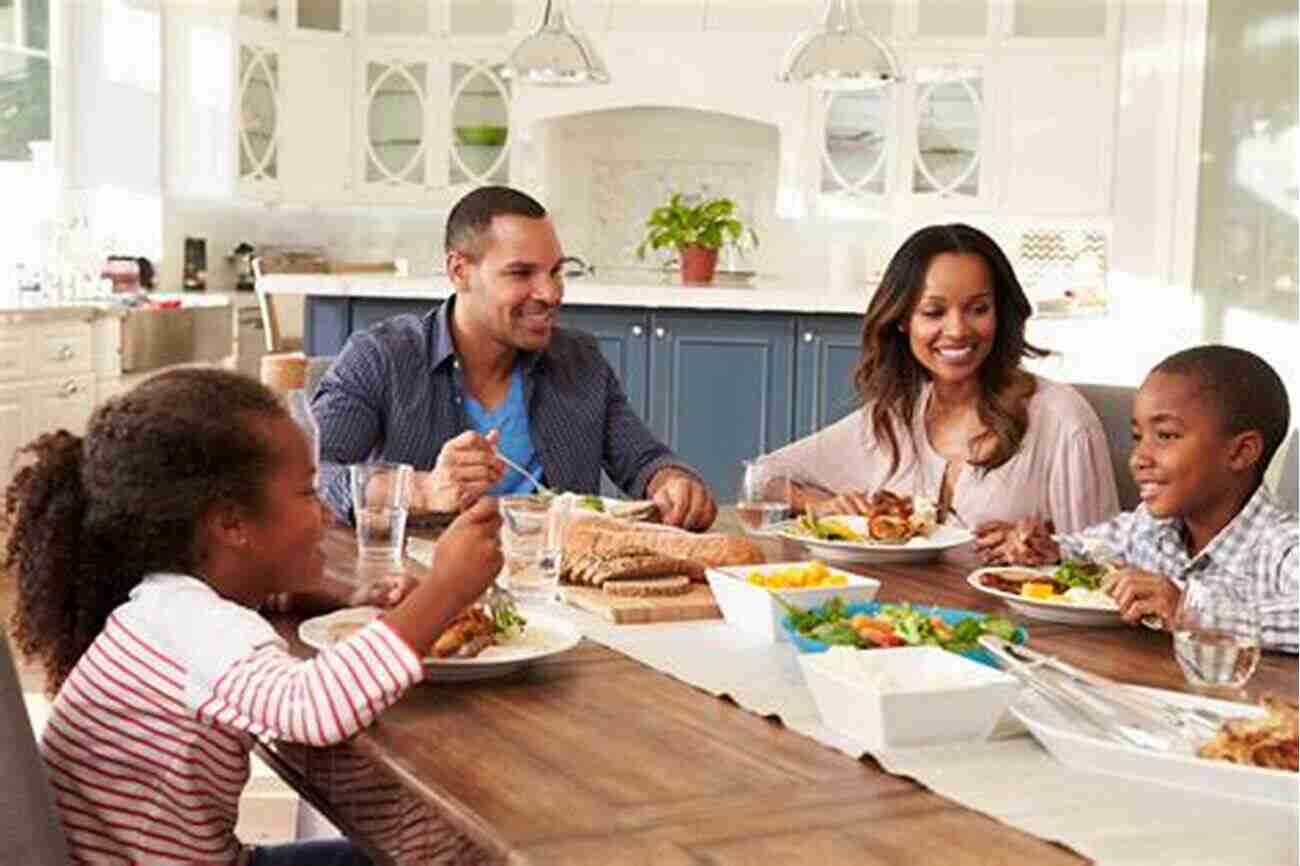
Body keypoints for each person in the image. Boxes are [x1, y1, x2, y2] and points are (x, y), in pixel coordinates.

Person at [3, 367, 502, 865]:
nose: (327, 511)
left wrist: (315, 597)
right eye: (308, 492)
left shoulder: (165, 606)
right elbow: (314, 708)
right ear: (232, 523)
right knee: (449, 852)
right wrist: (445, 588)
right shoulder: (199, 624)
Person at [313, 186, 716, 530]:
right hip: (424, 595)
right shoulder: (381, 358)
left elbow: (643, 459)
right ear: (459, 271)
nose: (551, 293)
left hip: (559, 595)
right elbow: (310, 476)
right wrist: (422, 488)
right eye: (521, 273)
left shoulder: (581, 362)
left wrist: (674, 482)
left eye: (556, 271)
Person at [756, 223, 1119, 533]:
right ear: (902, 320)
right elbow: (763, 479)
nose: (958, 330)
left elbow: (1105, 563)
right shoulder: (895, 418)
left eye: (979, 309)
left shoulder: (1063, 422)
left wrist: (1045, 552)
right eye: (933, 312)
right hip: (895, 612)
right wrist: (822, 505)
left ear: (1000, 313)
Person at [976, 345, 1298, 652]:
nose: (1138, 458)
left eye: (1166, 436)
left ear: (1241, 452)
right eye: (1137, 437)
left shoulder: (1282, 545)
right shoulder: (1150, 525)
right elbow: (1090, 549)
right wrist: (1048, 549)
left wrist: (1189, 609)